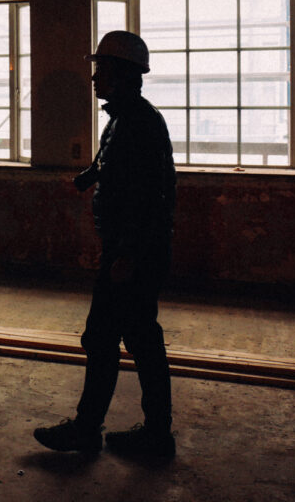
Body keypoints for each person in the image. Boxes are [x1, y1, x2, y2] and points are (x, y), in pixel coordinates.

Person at [33, 30, 177, 459]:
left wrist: (127, 255)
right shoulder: (123, 119)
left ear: (122, 73)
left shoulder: (139, 124)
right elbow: (112, 164)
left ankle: (105, 431)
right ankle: (143, 432)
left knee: (121, 338)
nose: (94, 77)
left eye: (101, 69)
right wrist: (88, 178)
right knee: (121, 337)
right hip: (128, 249)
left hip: (133, 253)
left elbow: (148, 197)